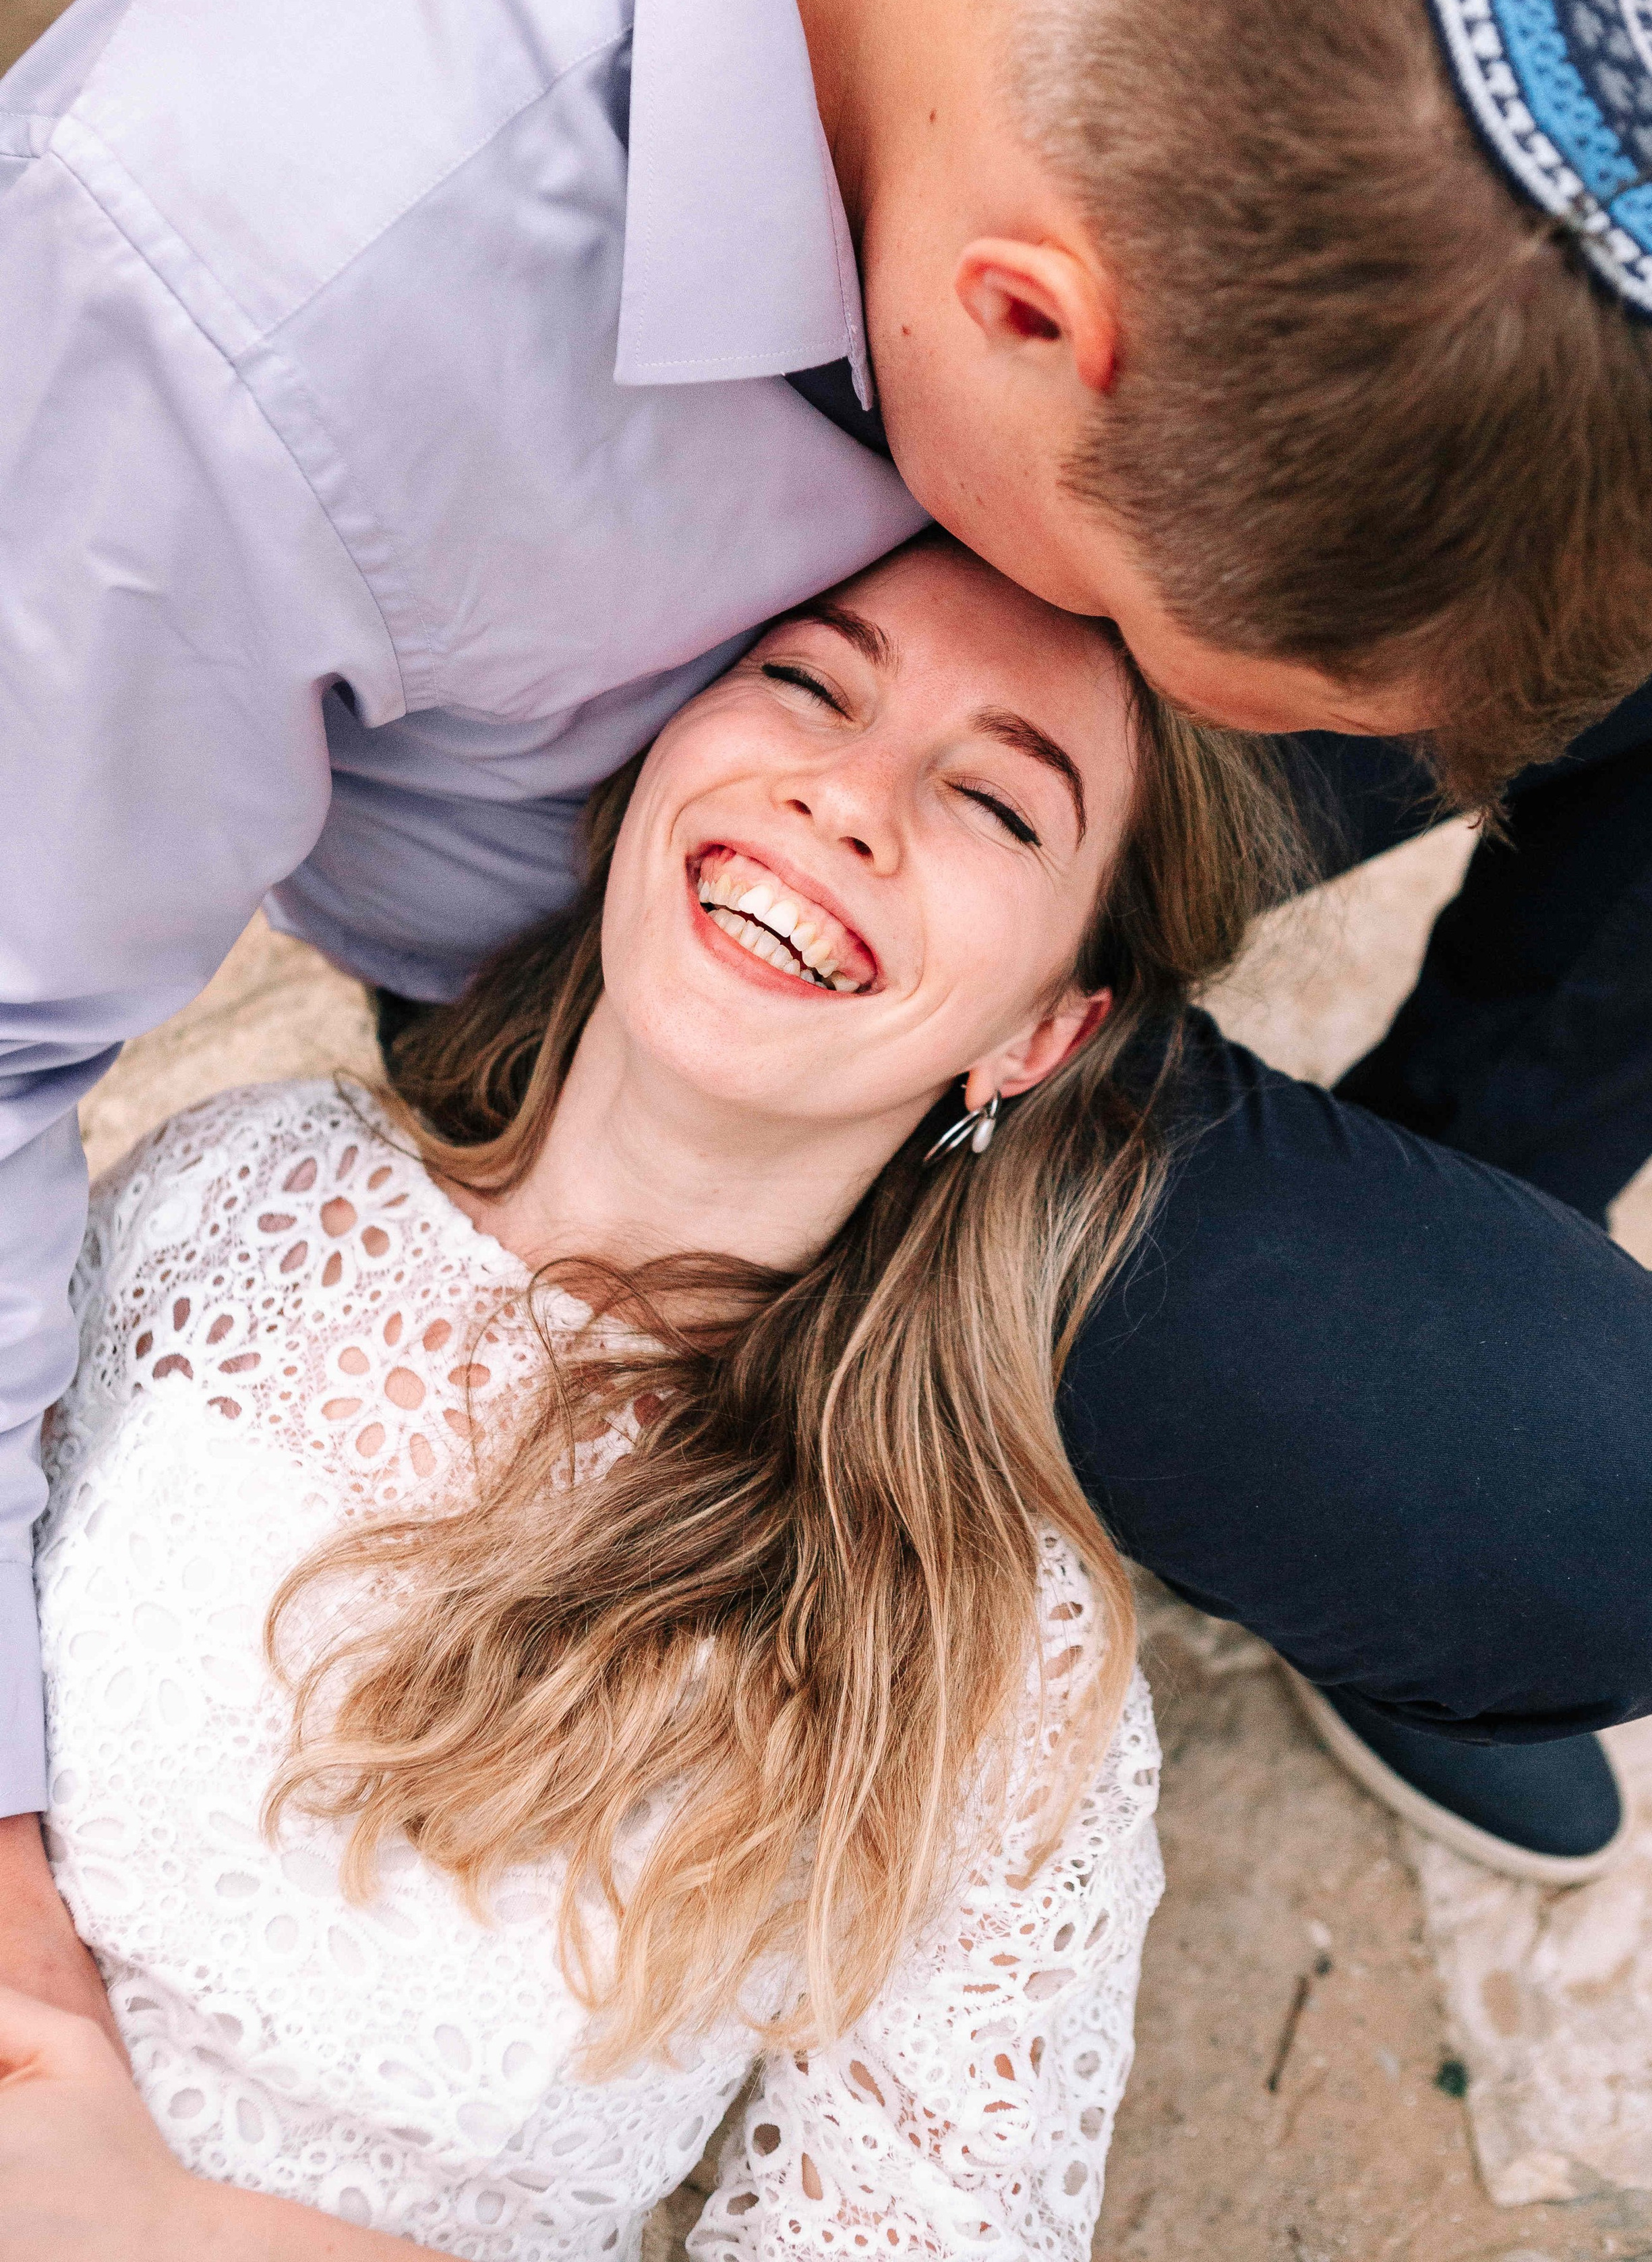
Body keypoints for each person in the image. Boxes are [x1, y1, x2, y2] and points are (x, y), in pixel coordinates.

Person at [6, 0, 1652, 1996]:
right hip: (694, 966)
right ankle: (1345, 1390)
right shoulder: (214, 260)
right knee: (1608, 1527)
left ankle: (1437, 1228)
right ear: (1030, 315)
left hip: (1109, 643)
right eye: (1198, 653)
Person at [0, 538, 1289, 2257]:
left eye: (993, 804)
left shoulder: (984, 1654)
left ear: (1040, 1035)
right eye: (808, 684)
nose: (847, 795)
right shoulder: (237, 1186)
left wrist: (152, 2230)